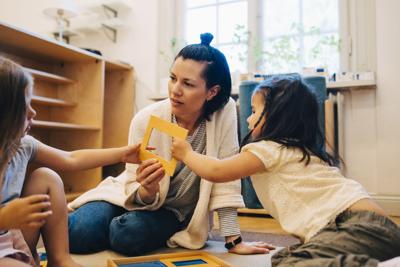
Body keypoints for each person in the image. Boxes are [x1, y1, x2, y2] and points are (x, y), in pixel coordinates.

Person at [68, 33, 273, 256]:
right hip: (126, 196)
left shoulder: (225, 114)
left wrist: (233, 241)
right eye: (173, 78)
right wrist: (147, 190)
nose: (175, 90)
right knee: (77, 233)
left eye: (187, 83)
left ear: (212, 92)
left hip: (174, 210)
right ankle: (112, 226)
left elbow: (226, 178)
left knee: (126, 234)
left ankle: (118, 228)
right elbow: (131, 182)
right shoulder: (146, 119)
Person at [171, 73, 400, 266]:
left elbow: (218, 171)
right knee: (283, 257)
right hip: (381, 229)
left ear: (276, 114)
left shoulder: (268, 149)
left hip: (354, 226)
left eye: (254, 110)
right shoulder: (303, 151)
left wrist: (187, 153)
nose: (249, 120)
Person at [0, 57, 144, 267]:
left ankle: (60, 260)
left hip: (13, 236)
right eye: (25, 105)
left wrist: (123, 154)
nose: (33, 112)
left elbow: (71, 158)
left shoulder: (23, 145)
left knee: (46, 177)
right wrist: (4, 218)